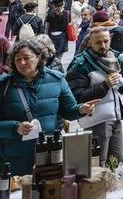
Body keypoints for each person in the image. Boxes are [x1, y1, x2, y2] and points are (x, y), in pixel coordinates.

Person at [0, 39, 97, 175]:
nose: (22, 63)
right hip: (14, 156)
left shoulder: (56, 79)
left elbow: (69, 110)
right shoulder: (4, 85)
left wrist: (81, 109)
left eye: (26, 58)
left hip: (50, 151)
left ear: (39, 57)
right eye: (18, 60)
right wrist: (15, 127)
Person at [66, 27, 123, 167]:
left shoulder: (117, 58)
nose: (103, 45)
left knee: (116, 162)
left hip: (115, 116)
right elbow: (77, 95)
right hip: (95, 120)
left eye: (105, 41)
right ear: (90, 43)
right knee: (97, 164)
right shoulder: (80, 64)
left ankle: (114, 188)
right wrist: (105, 85)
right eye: (98, 42)